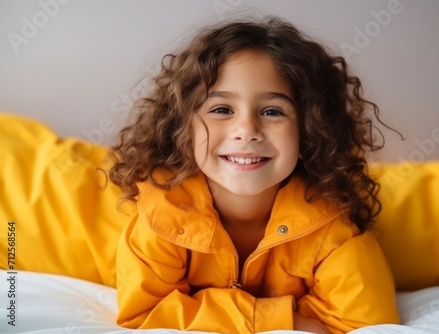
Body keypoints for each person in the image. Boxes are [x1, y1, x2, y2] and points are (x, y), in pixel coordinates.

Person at [109, 16, 400, 334]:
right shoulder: (161, 214)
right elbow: (144, 313)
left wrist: (203, 307)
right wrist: (278, 319)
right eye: (221, 109)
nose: (246, 130)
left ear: (309, 132)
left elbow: (363, 321)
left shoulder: (333, 228)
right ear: (184, 130)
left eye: (272, 111)